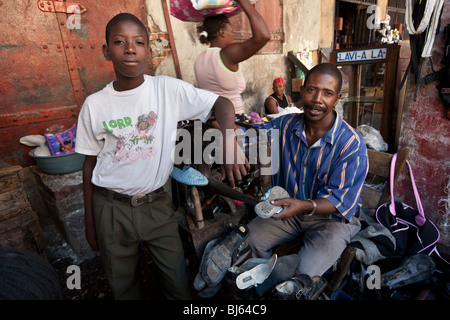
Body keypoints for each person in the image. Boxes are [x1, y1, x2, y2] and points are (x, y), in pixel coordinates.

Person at [75, 13, 249, 300]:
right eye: (119, 42)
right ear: (107, 51)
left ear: (148, 50)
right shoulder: (95, 105)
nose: (130, 48)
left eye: (138, 42)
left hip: (156, 205)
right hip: (110, 208)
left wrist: (230, 142)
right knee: (123, 287)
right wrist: (90, 222)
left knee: (177, 283)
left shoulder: (166, 90)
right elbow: (89, 165)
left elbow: (222, 103)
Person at [246, 63, 368, 278]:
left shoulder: (351, 144)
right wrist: (226, 135)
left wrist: (304, 205)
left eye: (327, 93)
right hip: (289, 210)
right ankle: (259, 286)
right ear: (302, 91)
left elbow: (341, 200)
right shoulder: (284, 125)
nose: (317, 99)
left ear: (337, 99)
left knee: (301, 274)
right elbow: (250, 136)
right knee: (250, 241)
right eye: (312, 89)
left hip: (332, 221)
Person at [194, 0, 270, 120]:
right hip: (231, 122)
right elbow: (263, 36)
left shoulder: (199, 59)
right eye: (231, 31)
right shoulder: (226, 55)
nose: (233, 35)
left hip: (210, 121)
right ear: (222, 32)